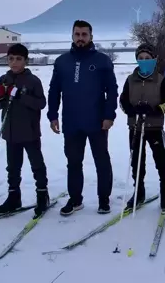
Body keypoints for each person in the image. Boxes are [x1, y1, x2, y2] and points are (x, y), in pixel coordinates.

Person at [47, 20, 118, 215]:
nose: (80, 38)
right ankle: (75, 199)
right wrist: (52, 115)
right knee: (74, 161)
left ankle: (104, 200)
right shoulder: (62, 62)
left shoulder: (102, 60)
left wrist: (109, 115)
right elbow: (54, 90)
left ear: (91, 37)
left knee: (101, 160)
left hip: (97, 121)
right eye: (77, 34)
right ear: (72, 36)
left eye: (84, 34)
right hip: (71, 121)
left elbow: (112, 91)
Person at [0, 44, 51, 217]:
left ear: (25, 60)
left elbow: (41, 104)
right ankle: (13, 197)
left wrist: (20, 96)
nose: (14, 62)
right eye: (11, 59)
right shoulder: (3, 79)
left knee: (36, 164)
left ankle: (42, 194)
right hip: (10, 131)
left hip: (29, 131)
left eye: (18, 59)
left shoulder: (33, 81)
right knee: (13, 167)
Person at [119, 43, 165, 210]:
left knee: (160, 160)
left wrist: (155, 109)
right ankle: (139, 190)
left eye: (147, 58)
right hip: (135, 127)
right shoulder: (130, 80)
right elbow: (123, 101)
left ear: (153, 60)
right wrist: (131, 110)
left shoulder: (161, 80)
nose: (144, 61)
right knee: (137, 161)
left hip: (154, 127)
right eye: (140, 58)